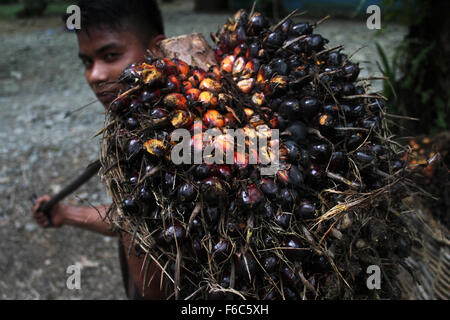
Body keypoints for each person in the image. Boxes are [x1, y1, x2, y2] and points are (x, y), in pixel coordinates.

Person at [31, 0, 167, 300]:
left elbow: (154, 287)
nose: (95, 75)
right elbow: (130, 217)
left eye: (110, 55)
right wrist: (66, 214)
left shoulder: (168, 140)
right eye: (87, 62)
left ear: (157, 50)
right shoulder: (131, 127)